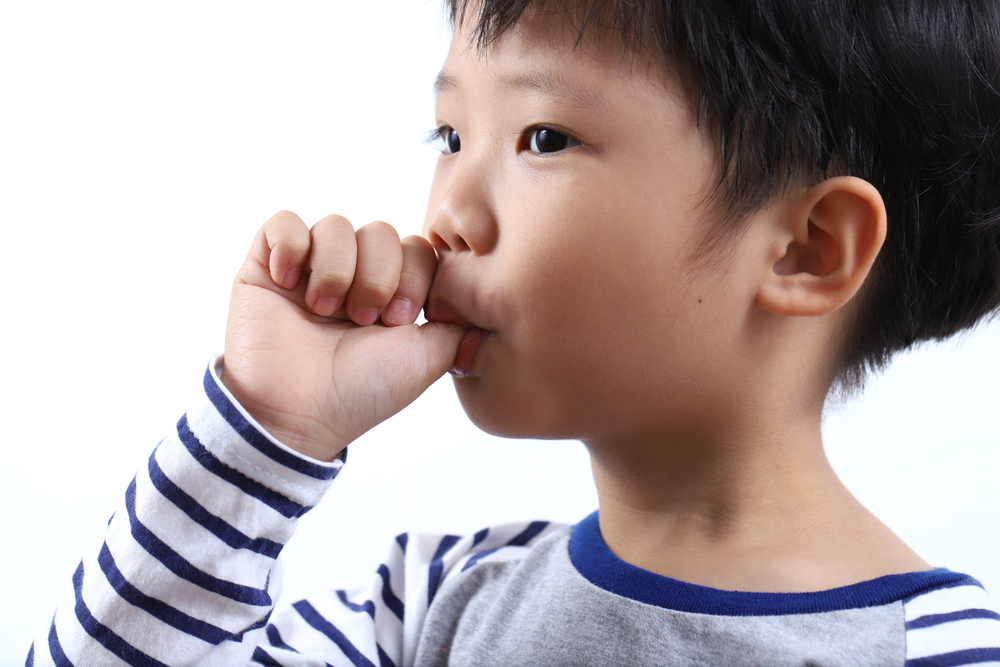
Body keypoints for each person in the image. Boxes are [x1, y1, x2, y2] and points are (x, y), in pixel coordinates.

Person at [28, 0, 1000, 665]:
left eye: (542, 138)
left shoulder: (948, 648)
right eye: (449, 136)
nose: (448, 210)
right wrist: (264, 426)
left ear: (805, 247)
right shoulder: (436, 608)